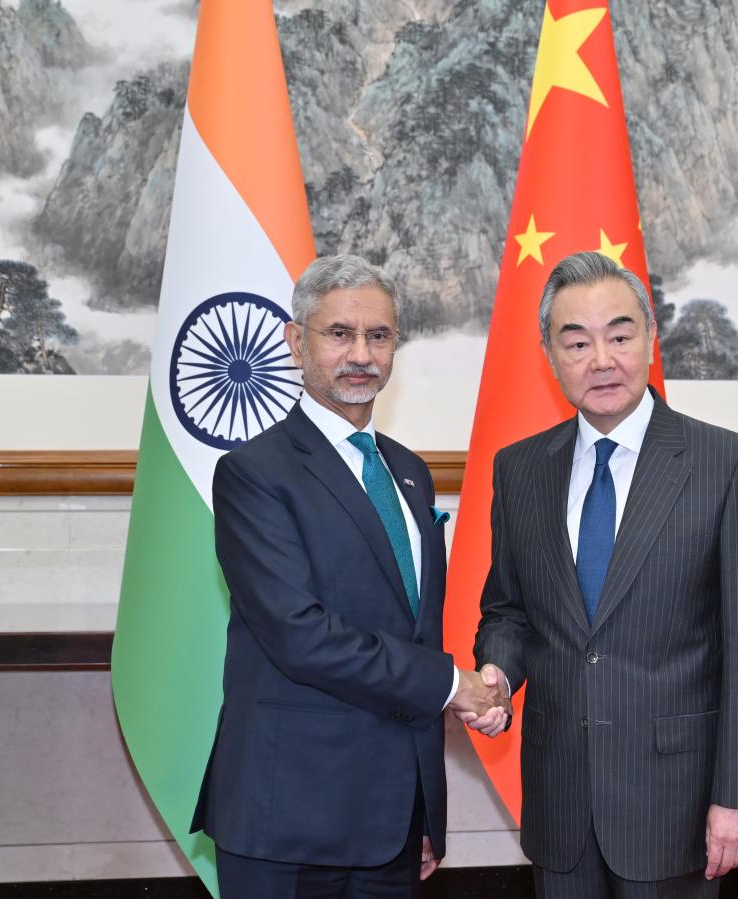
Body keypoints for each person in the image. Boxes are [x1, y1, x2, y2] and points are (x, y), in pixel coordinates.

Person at [191, 254, 509, 898]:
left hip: (392, 825)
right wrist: (455, 686)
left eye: (379, 336)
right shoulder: (255, 473)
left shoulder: (409, 472)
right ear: (295, 341)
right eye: (339, 333)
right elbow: (299, 635)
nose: (361, 354)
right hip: (288, 822)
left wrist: (423, 809)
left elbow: (414, 631)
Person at [464, 251, 738, 898]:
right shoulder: (520, 470)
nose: (601, 360)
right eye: (577, 342)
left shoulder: (725, 465)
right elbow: (509, 610)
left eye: (620, 335)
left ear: (650, 338)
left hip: (676, 803)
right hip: (559, 800)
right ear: (549, 354)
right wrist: (497, 673)